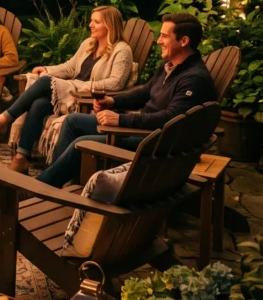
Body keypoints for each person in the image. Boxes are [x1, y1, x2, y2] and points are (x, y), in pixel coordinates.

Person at [37, 12, 216, 189]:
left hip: (155, 142)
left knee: (82, 143)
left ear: (183, 41)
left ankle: (41, 189)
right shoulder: (169, 66)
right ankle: (55, 182)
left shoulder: (194, 79)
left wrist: (121, 119)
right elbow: (144, 93)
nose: (158, 41)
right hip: (142, 129)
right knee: (72, 121)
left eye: (164, 36)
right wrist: (112, 102)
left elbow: (172, 118)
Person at [0, 6, 133, 174]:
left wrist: (81, 86)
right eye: (91, 21)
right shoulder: (89, 44)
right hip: (71, 93)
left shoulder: (122, 50)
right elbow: (69, 67)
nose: (90, 25)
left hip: (87, 99)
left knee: (45, 83)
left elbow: (116, 83)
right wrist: (47, 69)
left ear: (110, 25)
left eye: (96, 22)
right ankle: (20, 158)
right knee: (39, 103)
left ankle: (2, 120)